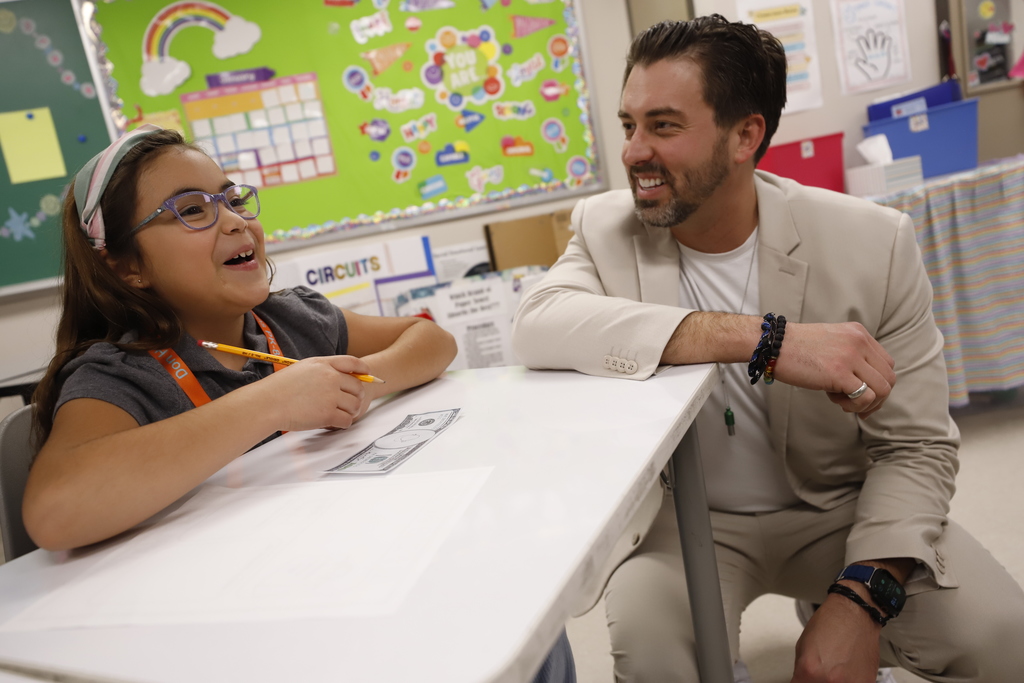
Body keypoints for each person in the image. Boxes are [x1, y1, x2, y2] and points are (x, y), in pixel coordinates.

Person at [512, 15, 1024, 683]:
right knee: (656, 653)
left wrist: (862, 598)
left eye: (663, 126)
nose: (634, 151)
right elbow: (539, 324)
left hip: (840, 505)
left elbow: (918, 446)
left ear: (745, 135)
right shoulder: (604, 228)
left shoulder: (875, 243)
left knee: (1003, 636)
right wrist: (762, 337)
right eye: (628, 124)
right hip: (687, 517)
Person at [21, 125, 574, 682]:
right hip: (232, 639)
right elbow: (54, 510)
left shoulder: (290, 320)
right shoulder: (121, 374)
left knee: (525, 616)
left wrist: (358, 381)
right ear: (126, 266)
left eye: (232, 198)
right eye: (191, 210)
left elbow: (431, 341)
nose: (235, 219)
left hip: (338, 576)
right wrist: (271, 402)